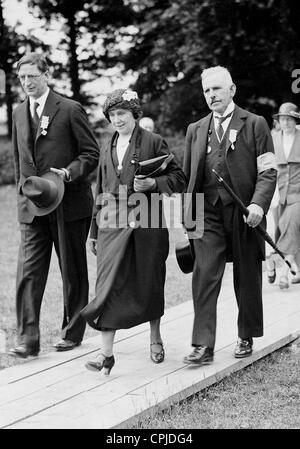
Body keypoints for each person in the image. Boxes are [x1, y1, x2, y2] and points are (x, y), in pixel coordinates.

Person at [81, 89, 186, 375]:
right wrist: (93, 231)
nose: (117, 119)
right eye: (112, 115)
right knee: (108, 284)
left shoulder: (153, 141)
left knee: (149, 280)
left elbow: (179, 177)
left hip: (147, 220)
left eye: (122, 114)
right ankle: (106, 354)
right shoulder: (106, 146)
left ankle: (155, 337)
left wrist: (153, 186)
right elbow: (101, 191)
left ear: (134, 114)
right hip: (111, 223)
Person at [183, 66, 277, 366]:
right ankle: (202, 345)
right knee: (204, 275)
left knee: (247, 276)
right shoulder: (195, 129)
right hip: (207, 212)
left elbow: (268, 171)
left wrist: (259, 205)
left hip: (244, 211)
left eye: (217, 89)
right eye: (207, 90)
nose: (212, 95)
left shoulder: (255, 124)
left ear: (232, 90)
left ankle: (246, 335)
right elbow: (187, 177)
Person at [10, 52, 100, 358]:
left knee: (72, 271)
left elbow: (91, 154)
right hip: (33, 208)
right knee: (29, 272)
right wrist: (24, 195)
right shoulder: (19, 113)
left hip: (69, 204)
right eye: (22, 78)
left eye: (32, 76)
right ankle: (27, 339)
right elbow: (19, 160)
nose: (27, 83)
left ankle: (72, 332)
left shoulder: (71, 109)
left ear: (46, 75)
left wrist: (69, 173)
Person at [266, 102, 300, 289]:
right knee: (279, 231)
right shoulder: (272, 138)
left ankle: (284, 274)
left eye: (289, 119)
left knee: (290, 228)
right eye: (282, 119)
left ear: (296, 121)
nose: (285, 122)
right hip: (277, 195)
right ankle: (287, 266)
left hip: (298, 195)